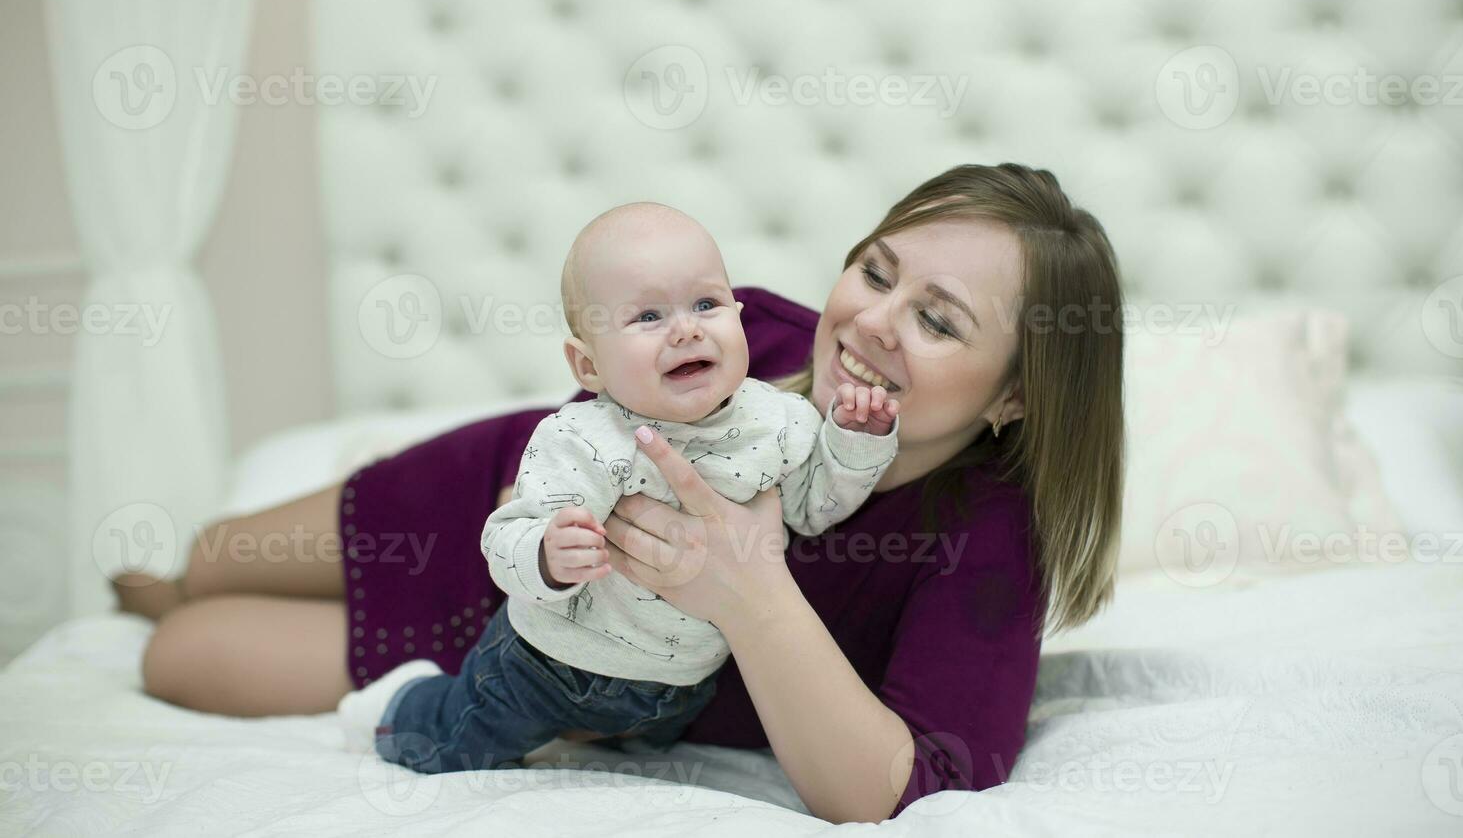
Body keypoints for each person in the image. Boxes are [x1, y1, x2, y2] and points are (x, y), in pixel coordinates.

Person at [122, 163, 1124, 824]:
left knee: (182, 655)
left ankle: (179, 610)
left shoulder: (987, 542)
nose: (868, 321)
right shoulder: (755, 336)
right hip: (489, 505)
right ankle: (171, 582)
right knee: (209, 560)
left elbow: (912, 786)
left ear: (1017, 394)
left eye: (939, 322)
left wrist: (748, 587)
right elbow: (582, 423)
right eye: (874, 270)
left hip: (529, 659)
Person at [337, 202, 902, 767]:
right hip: (546, 661)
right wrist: (547, 554)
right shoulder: (582, 438)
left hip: (681, 685)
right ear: (588, 368)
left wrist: (855, 439)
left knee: (647, 753)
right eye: (647, 317)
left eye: (706, 304)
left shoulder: (781, 421)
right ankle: (402, 700)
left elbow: (814, 508)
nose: (687, 329)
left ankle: (623, 735)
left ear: (738, 314)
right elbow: (505, 535)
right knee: (453, 743)